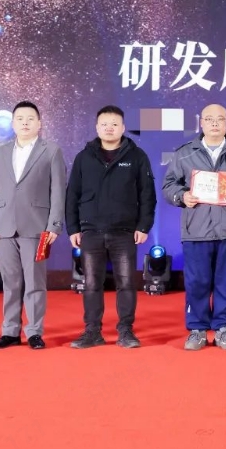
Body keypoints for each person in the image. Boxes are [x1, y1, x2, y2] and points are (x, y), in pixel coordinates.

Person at [163, 103, 226, 351]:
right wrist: (182, 196)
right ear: (201, 122)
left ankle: (223, 328)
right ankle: (196, 329)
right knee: (197, 282)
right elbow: (169, 186)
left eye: (220, 119)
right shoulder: (185, 153)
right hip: (196, 230)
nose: (215, 123)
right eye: (209, 119)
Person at [65, 105, 156, 349]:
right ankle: (92, 331)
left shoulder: (137, 157)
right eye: (104, 124)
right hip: (91, 231)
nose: (109, 128)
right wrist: (73, 228)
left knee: (126, 283)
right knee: (91, 283)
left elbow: (147, 195)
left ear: (123, 128)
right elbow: (72, 194)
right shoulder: (84, 157)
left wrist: (144, 226)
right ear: (97, 128)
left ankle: (125, 330)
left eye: (114, 124)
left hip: (124, 231)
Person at [0, 101, 66, 350]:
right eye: (20, 118)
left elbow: (58, 191)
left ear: (39, 123)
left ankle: (34, 332)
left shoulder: (51, 151)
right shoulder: (0, 152)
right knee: (11, 282)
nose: (25, 123)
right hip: (4, 227)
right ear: (13, 123)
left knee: (35, 282)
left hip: (37, 227)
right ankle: (10, 331)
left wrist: (54, 225)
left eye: (30, 118)